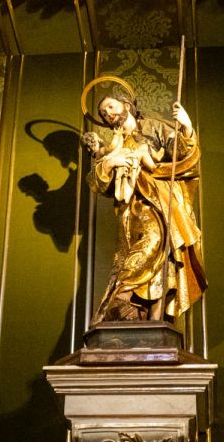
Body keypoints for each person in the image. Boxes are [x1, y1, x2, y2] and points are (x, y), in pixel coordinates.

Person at [84, 93, 206, 323]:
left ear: (126, 105)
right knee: (152, 252)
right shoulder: (113, 144)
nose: (108, 113)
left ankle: (131, 301)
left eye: (111, 106)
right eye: (103, 113)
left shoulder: (153, 127)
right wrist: (110, 163)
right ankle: (135, 308)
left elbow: (183, 154)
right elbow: (97, 183)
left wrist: (187, 127)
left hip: (161, 200)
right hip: (130, 209)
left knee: (161, 246)